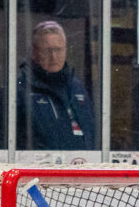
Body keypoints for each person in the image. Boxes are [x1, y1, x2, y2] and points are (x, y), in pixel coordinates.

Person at [15, 21, 96, 150]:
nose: (54, 57)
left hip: (81, 167)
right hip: (37, 169)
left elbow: (92, 135)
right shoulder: (19, 90)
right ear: (34, 52)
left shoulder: (77, 88)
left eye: (58, 50)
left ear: (65, 50)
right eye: (47, 51)